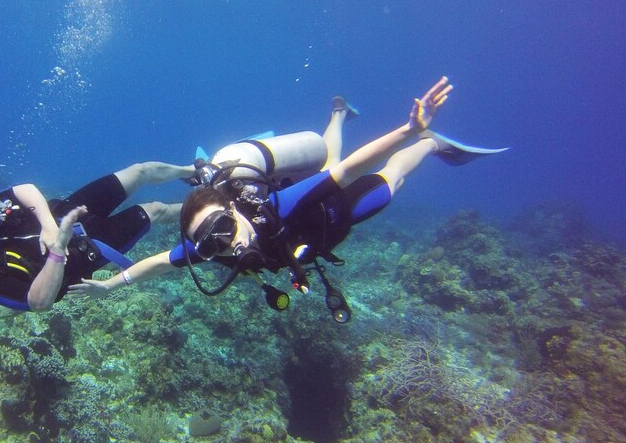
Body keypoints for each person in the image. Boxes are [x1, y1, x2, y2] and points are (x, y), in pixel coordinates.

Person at [70, 77, 507, 321]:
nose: (223, 243)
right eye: (209, 242)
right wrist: (110, 284)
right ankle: (339, 112)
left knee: (388, 181)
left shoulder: (275, 207)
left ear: (233, 209)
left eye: (222, 227)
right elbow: (161, 262)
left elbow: (349, 169)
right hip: (316, 240)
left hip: (334, 211)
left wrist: (409, 131)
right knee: (332, 156)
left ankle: (429, 143)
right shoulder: (211, 249)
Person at [0, 161, 195, 328]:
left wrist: (50, 226)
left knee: (140, 171)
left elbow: (24, 189)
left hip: (68, 210)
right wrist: (58, 247)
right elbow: (39, 302)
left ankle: (197, 171)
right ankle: (206, 210)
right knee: (155, 209)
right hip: (87, 250)